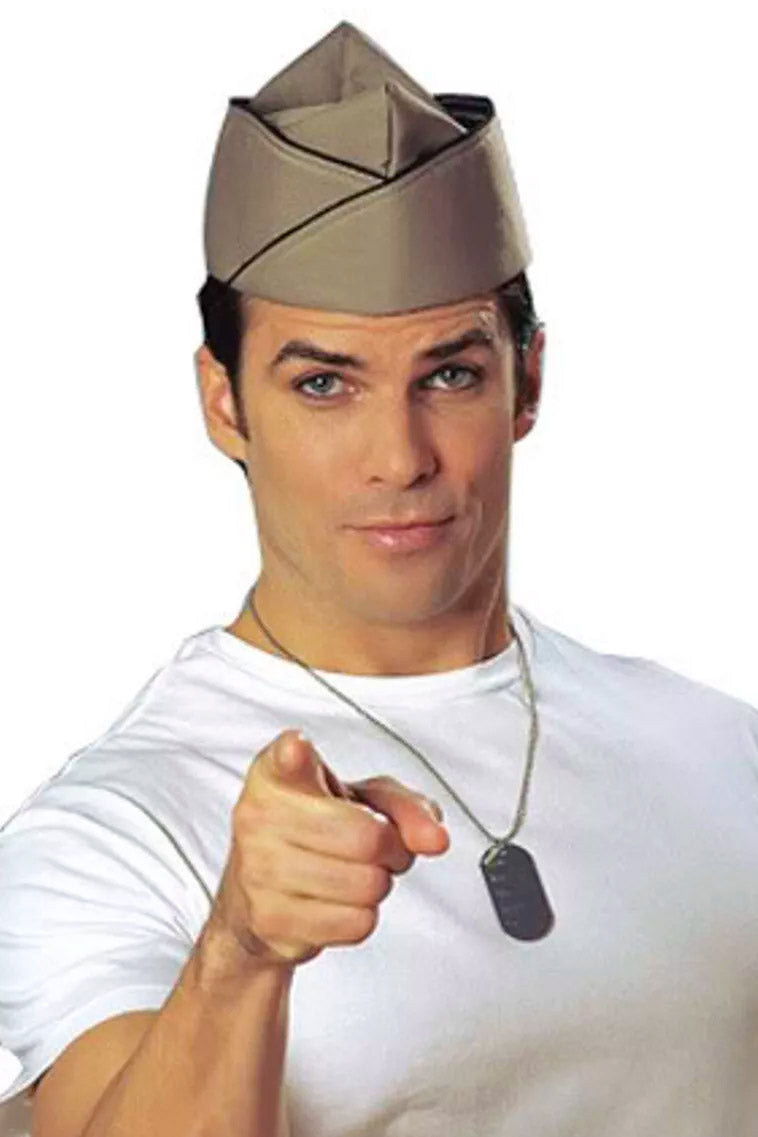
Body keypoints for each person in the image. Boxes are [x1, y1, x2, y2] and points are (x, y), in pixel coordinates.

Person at [1, 18, 757, 1137]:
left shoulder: (720, 748)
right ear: (224, 403)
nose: (399, 457)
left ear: (527, 380)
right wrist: (241, 955)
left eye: (449, 375)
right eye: (324, 385)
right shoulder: (118, 829)